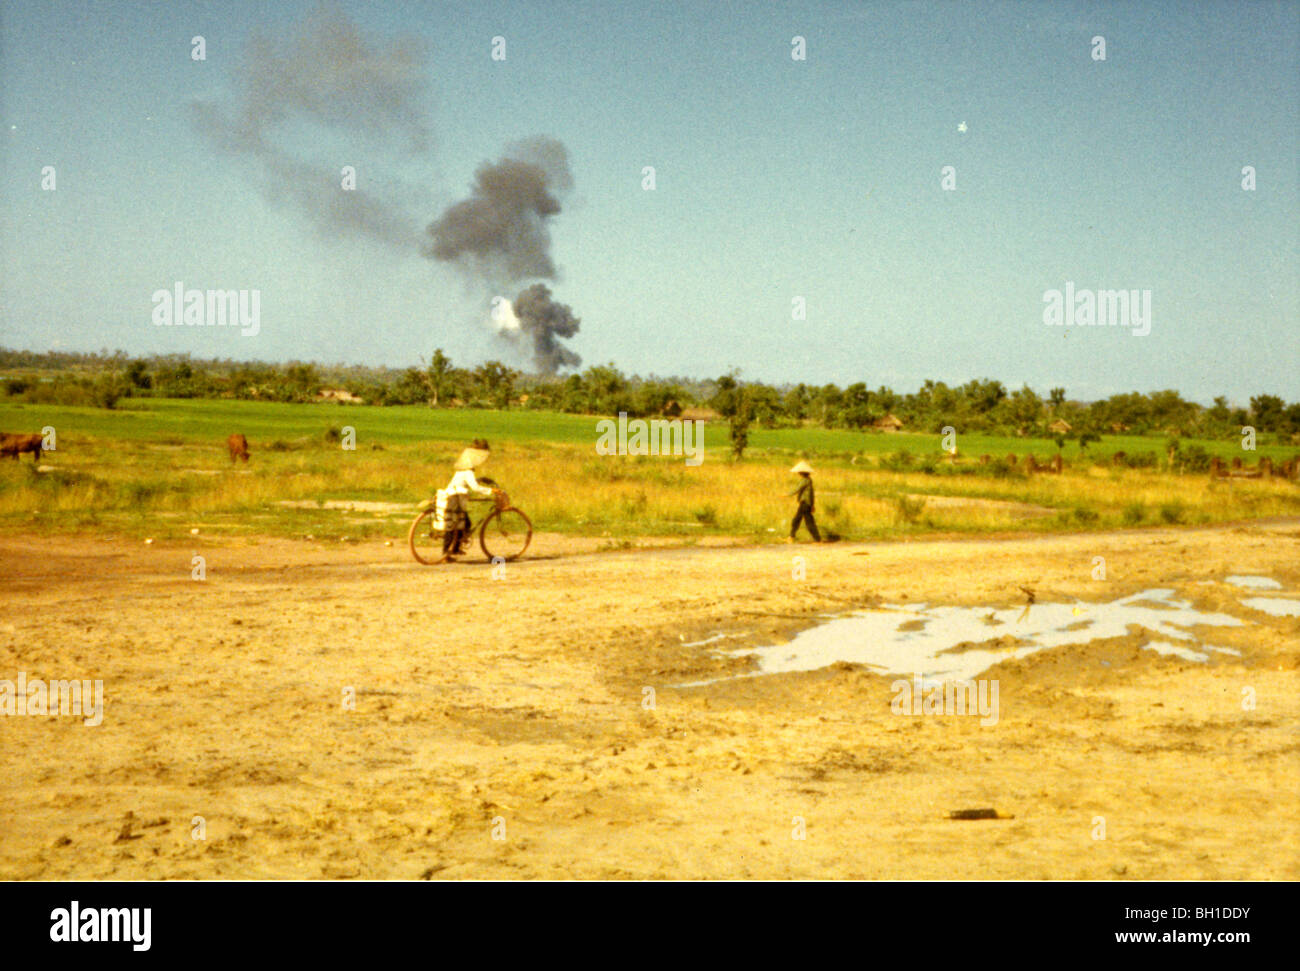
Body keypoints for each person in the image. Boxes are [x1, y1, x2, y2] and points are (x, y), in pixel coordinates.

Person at [440, 438, 496, 561]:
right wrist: (491, 491)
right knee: (456, 524)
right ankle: (446, 552)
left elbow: (467, 482)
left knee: (461, 523)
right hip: (456, 498)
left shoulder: (461, 470)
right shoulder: (468, 471)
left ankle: (454, 549)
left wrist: (480, 480)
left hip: (451, 495)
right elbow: (475, 487)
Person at [788, 460, 821, 543]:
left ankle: (817, 539)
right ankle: (791, 536)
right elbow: (811, 494)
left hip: (805, 504)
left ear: (801, 472)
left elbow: (797, 489)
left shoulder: (805, 481)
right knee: (800, 520)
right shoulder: (808, 480)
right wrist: (812, 505)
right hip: (806, 504)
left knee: (802, 521)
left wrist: (787, 494)